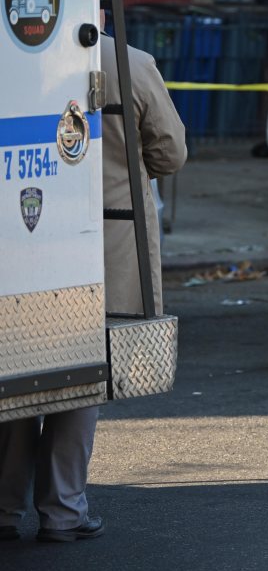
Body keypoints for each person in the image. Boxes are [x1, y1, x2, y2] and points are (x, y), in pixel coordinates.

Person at [0, 35, 186, 543]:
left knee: (20, 364)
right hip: (109, 238)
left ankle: (5, 506)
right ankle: (63, 510)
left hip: (26, 229)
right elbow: (170, 153)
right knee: (82, 371)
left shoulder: (17, 56)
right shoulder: (130, 62)